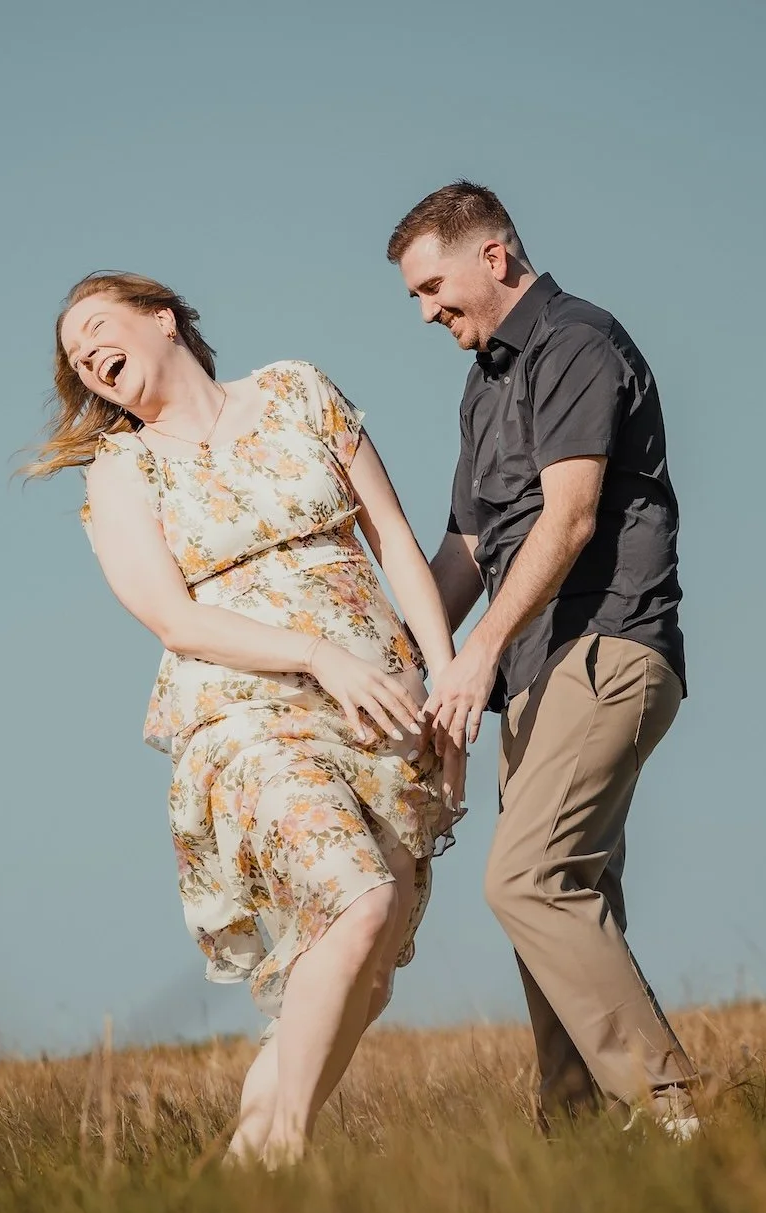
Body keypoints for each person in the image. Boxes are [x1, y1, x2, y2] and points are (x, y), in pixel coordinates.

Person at [29, 270, 464, 1164]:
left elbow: (393, 543)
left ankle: (246, 1168)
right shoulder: (123, 471)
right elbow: (173, 618)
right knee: (357, 905)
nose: (86, 356)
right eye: (76, 357)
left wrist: (448, 687)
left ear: (163, 320)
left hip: (381, 706)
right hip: (246, 715)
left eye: (98, 330)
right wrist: (315, 654)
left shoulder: (296, 390)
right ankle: (285, 1152)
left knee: (364, 970)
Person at [387, 182, 701, 1138]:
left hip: (604, 643)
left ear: (495, 256)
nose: (429, 311)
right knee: (559, 908)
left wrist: (473, 654)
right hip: (529, 674)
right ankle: (576, 1141)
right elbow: (464, 555)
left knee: (526, 881)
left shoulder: (574, 344)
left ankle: (680, 1115)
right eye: (415, 298)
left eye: (434, 286)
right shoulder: (483, 387)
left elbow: (566, 523)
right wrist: (388, 662)